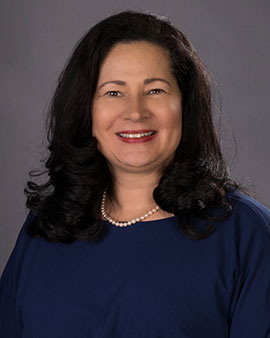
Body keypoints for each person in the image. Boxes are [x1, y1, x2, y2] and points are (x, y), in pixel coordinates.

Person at [0, 10, 269, 338]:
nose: (135, 112)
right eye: (114, 92)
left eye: (155, 90)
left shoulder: (247, 234)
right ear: (86, 110)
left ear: (185, 105)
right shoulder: (46, 227)